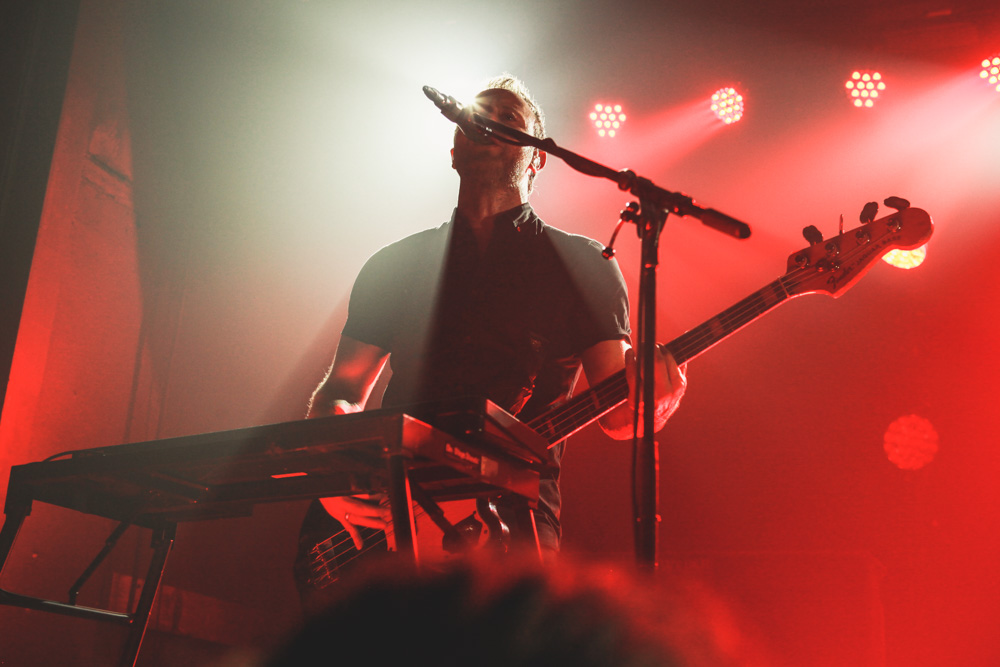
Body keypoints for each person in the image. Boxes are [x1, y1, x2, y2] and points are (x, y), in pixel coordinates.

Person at [294, 74, 686, 607]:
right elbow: (340, 391)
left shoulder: (584, 264)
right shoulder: (396, 263)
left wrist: (656, 402)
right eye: (478, 116)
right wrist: (332, 477)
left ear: (538, 157)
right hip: (387, 512)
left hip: (513, 518)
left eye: (509, 119)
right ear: (455, 149)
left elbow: (620, 415)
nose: (490, 124)